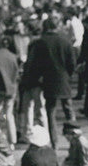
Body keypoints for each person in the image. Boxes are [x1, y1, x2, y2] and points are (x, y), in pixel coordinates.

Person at [32, 15, 76, 147]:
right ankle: (74, 136)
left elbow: (37, 64)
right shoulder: (65, 40)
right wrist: (69, 74)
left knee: (50, 112)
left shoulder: (41, 42)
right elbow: (72, 63)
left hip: (49, 80)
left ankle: (54, 142)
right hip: (64, 79)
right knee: (68, 108)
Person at [0, 34, 19, 146]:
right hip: (11, 90)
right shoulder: (13, 56)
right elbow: (16, 74)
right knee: (9, 115)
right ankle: (12, 141)